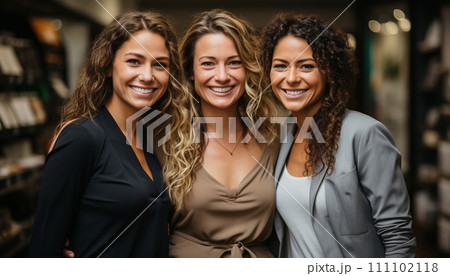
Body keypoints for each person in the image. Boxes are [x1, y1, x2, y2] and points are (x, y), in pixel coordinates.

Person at [29, 11, 187, 257]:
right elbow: (43, 249)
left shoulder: (151, 137)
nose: (147, 76)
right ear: (107, 66)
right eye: (134, 61)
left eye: (160, 65)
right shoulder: (81, 137)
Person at [260, 14, 416, 258]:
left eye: (307, 66)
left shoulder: (365, 134)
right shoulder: (281, 136)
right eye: (280, 66)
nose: (290, 78)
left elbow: (398, 238)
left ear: (329, 71)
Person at [163, 9, 281, 257]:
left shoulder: (276, 139)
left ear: (248, 68)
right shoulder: (164, 140)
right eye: (208, 63)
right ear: (190, 71)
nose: (222, 76)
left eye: (234, 62)